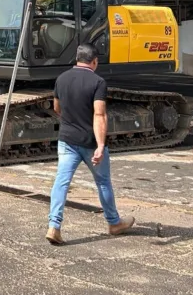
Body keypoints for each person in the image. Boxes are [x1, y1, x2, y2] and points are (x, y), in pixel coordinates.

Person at [46, 43, 134, 246]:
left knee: (62, 182)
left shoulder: (62, 78)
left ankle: (54, 226)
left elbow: (57, 108)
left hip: (67, 140)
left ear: (77, 59)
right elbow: (99, 114)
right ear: (94, 61)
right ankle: (114, 223)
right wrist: (101, 145)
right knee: (103, 182)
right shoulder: (98, 82)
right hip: (90, 142)